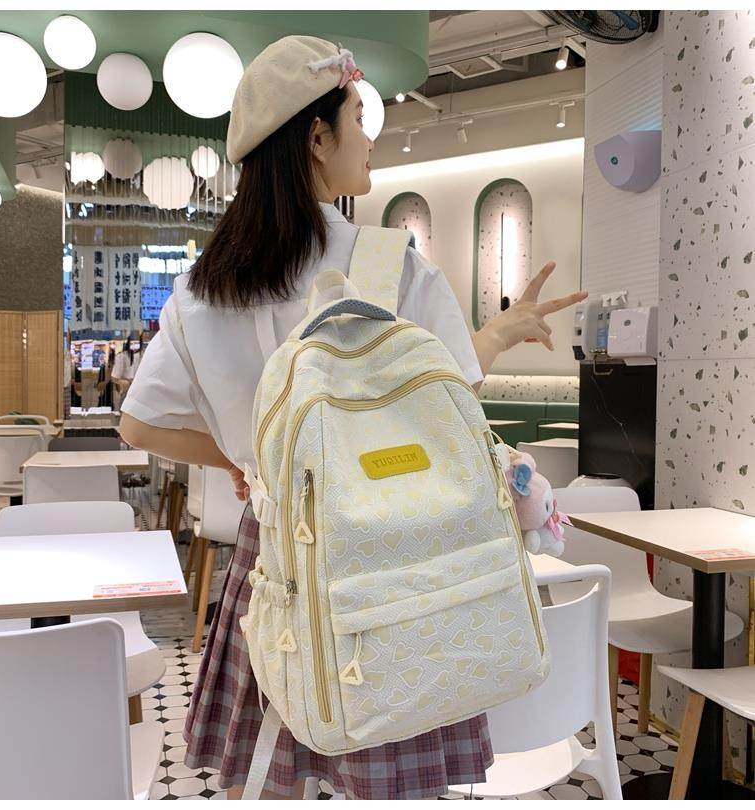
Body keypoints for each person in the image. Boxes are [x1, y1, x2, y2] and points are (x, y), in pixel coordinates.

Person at [119, 35, 587, 800]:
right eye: (359, 119)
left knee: (271, 776)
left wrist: (249, 463)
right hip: (390, 551)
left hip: (272, 555)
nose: (371, 139)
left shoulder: (204, 285)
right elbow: (450, 399)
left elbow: (139, 426)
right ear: (317, 137)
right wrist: (499, 333)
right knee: (389, 768)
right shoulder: (387, 262)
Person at [111, 331, 145, 409]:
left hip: (143, 393)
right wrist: (125, 382)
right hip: (128, 392)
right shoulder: (121, 356)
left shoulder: (145, 354)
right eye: (132, 342)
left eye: (136, 342)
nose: (134, 345)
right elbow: (114, 377)